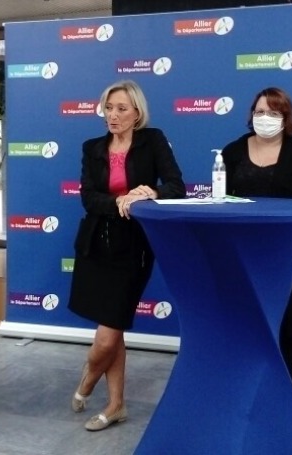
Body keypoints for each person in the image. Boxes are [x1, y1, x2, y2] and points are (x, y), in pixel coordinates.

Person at [68, 80, 185, 432]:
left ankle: (88, 378)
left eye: (121, 108)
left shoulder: (153, 140)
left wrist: (151, 193)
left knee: (106, 335)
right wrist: (119, 201)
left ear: (137, 113)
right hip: (96, 245)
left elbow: (176, 186)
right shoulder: (92, 147)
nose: (113, 115)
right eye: (109, 108)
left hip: (134, 248)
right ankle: (116, 404)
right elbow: (88, 197)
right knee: (114, 329)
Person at [221, 87, 292, 383]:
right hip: (241, 255)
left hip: (286, 257)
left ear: (285, 117)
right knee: (243, 326)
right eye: (260, 112)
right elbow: (220, 202)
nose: (265, 117)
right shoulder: (232, 152)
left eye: (273, 112)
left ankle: (282, 391)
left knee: (284, 328)